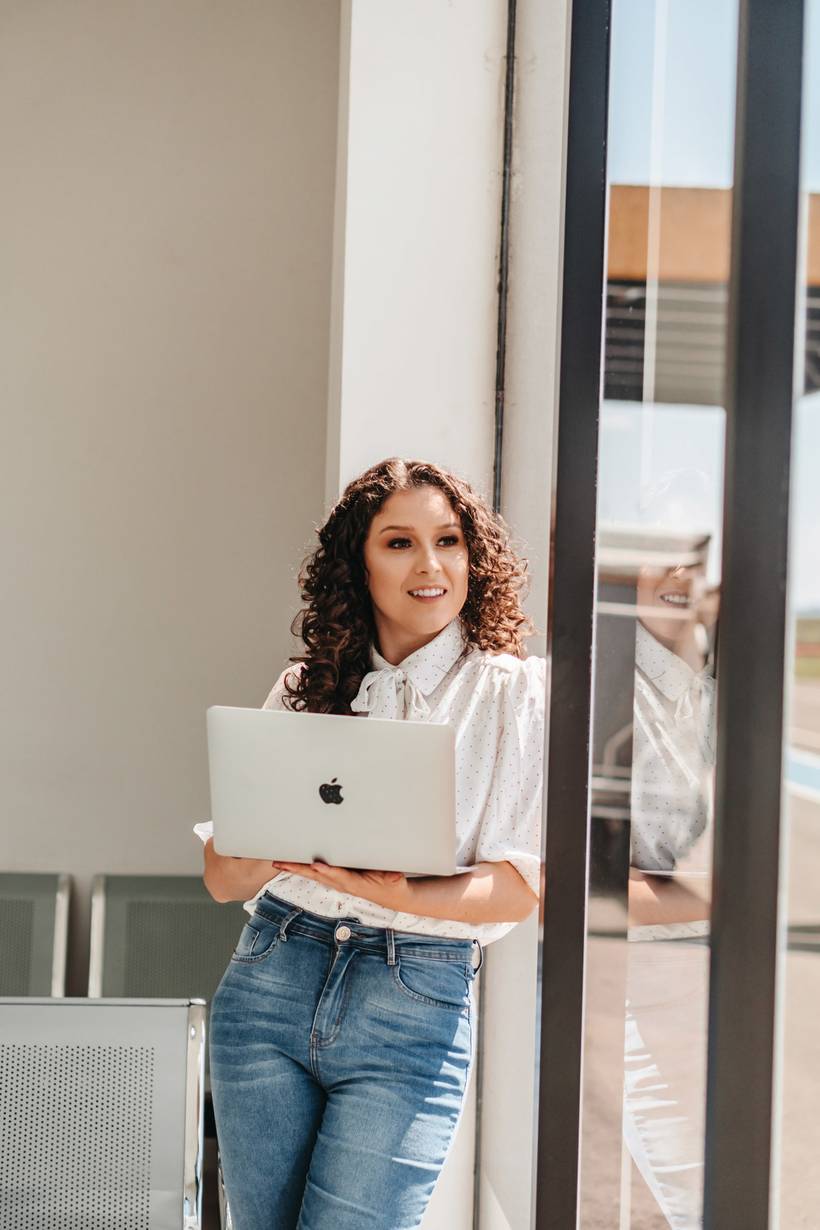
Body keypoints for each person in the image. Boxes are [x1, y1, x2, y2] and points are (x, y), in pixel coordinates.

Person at [194, 457, 546, 1230]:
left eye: (449, 541)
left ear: (474, 559)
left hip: (413, 999)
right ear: (359, 562)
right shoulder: (303, 688)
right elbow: (224, 879)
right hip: (272, 974)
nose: (430, 565)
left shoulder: (511, 692)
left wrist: (400, 894)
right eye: (399, 543)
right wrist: (276, 841)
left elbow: (521, 886)